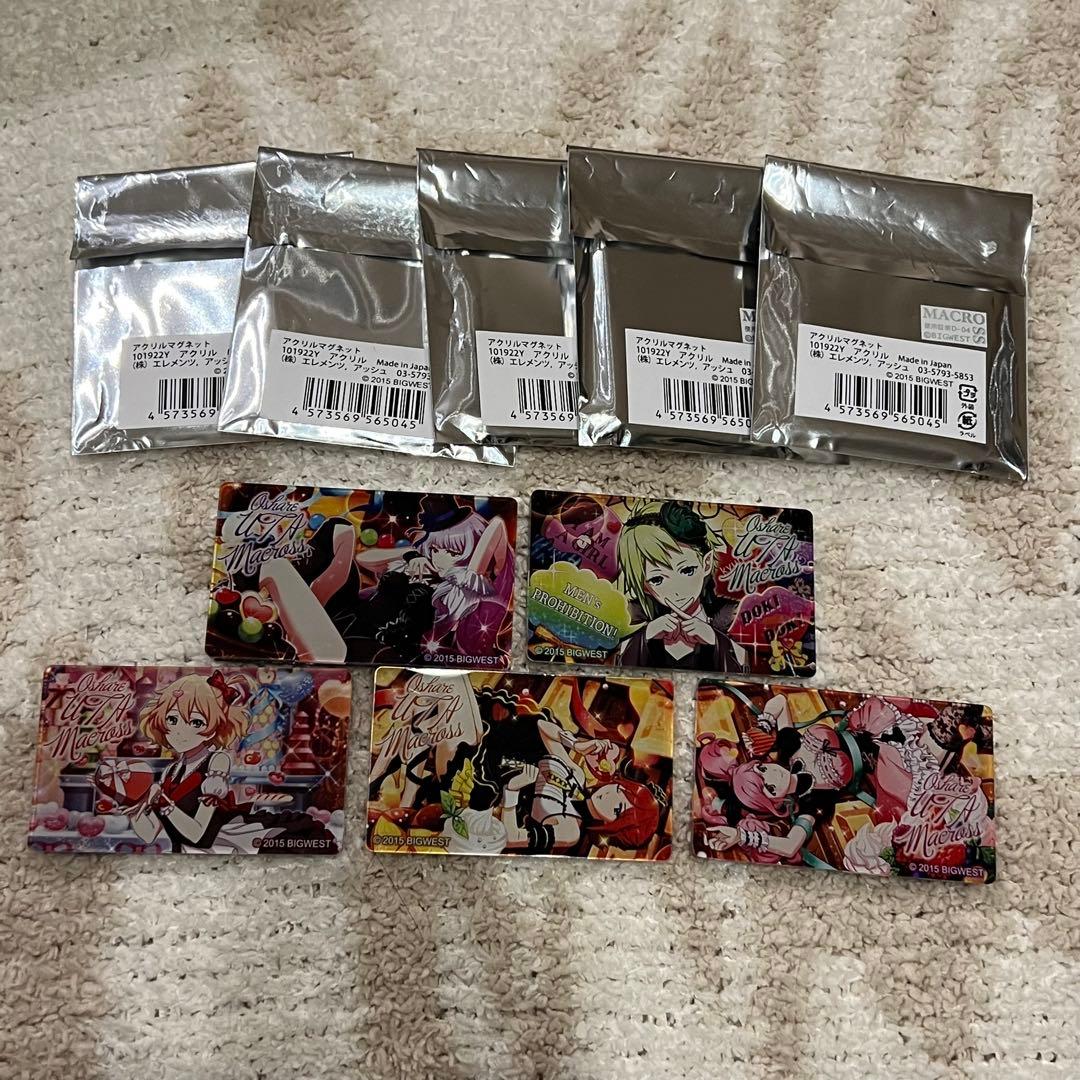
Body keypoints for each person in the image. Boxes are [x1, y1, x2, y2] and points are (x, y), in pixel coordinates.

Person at [125, 671, 336, 854]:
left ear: (214, 729)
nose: (180, 731)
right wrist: (136, 808)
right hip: (184, 859)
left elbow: (199, 835)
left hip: (221, 849)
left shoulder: (217, 761)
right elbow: (149, 834)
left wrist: (165, 804)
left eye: (196, 722)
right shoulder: (171, 771)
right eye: (172, 720)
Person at [615, 500, 746, 670]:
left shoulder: (732, 617)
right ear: (645, 586)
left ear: (706, 563)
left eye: (687, 570)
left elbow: (754, 665)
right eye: (657, 579)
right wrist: (645, 636)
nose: (677, 589)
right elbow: (615, 669)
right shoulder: (632, 619)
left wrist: (715, 639)